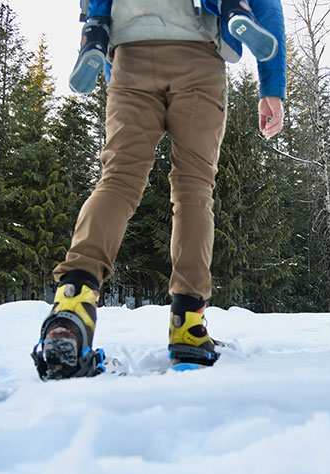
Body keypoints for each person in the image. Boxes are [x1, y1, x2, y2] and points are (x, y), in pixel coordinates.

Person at [38, 0, 286, 379]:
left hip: (131, 51)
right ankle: (188, 323)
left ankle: (73, 302)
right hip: (199, 50)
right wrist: (272, 84)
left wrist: (108, 55)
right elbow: (266, 4)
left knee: (117, 181)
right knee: (194, 190)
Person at [70, 0, 279, 94]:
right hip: (198, 48)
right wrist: (272, 88)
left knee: (123, 169)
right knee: (195, 170)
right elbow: (268, 8)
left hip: (129, 44)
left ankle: (94, 35)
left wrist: (112, 78)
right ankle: (235, 9)